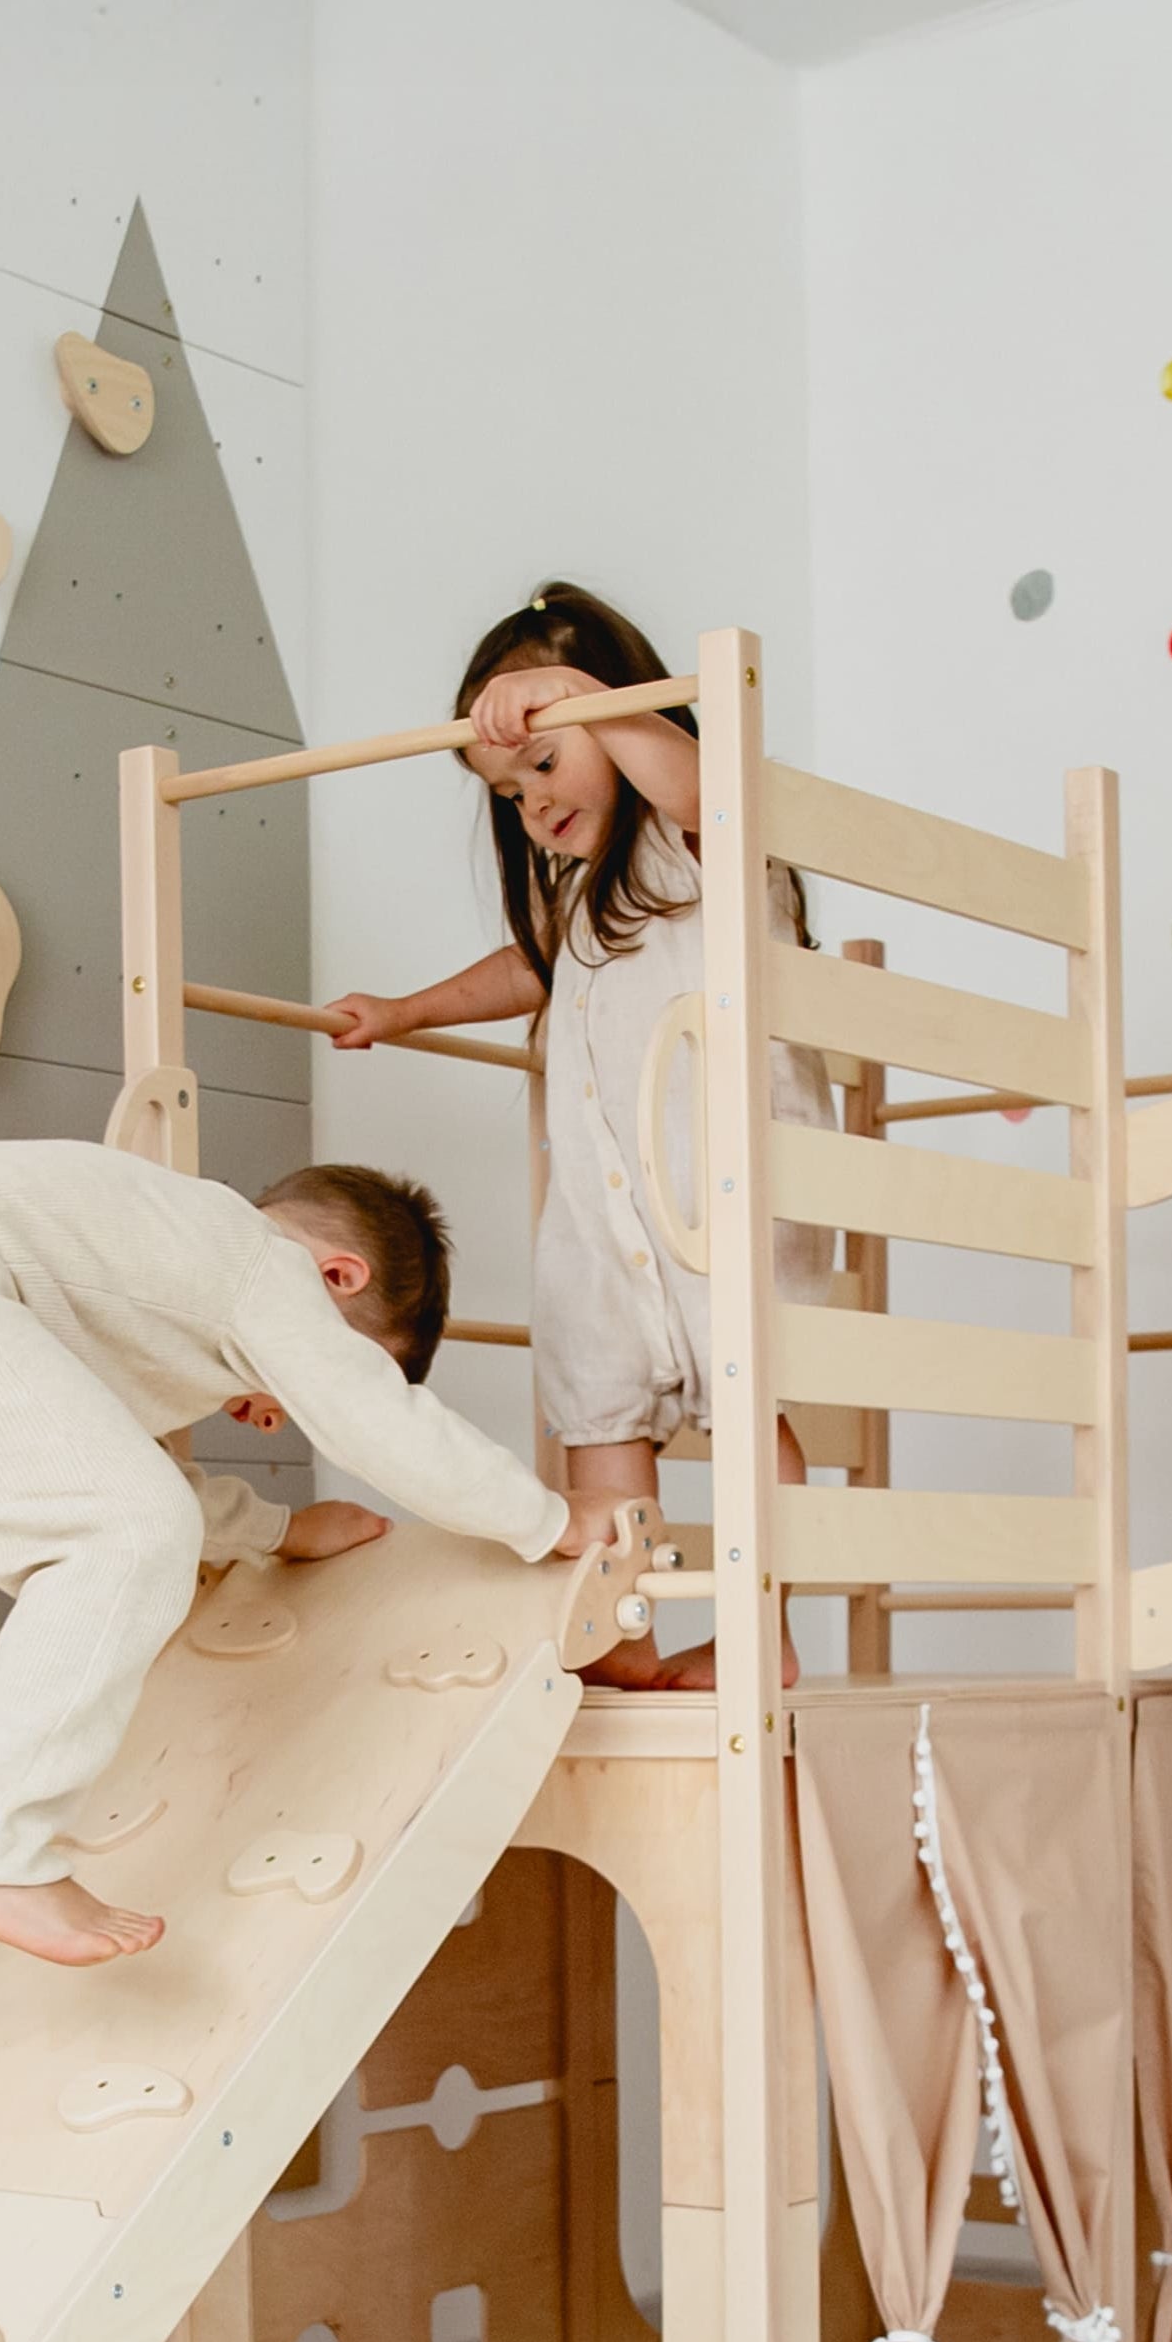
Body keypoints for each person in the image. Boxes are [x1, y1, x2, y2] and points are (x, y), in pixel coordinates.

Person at [0, 1141, 597, 2046]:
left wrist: (280, 1530)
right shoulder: (258, 1260)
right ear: (335, 1275)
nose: (279, 1408)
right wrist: (548, 1519)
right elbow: (378, 1424)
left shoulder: (143, 1259)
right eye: (336, 1357)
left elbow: (105, 1462)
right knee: (127, 1530)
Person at [323, 582, 832, 1686]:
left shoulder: (704, 837)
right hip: (607, 1211)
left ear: (619, 716)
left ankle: (766, 1640)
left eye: (545, 765)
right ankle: (625, 1639)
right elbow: (528, 970)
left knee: (749, 1402)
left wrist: (580, 699)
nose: (531, 806)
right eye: (508, 793)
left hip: (725, 1191)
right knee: (598, 1409)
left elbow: (696, 778)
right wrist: (405, 1011)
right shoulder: (576, 894)